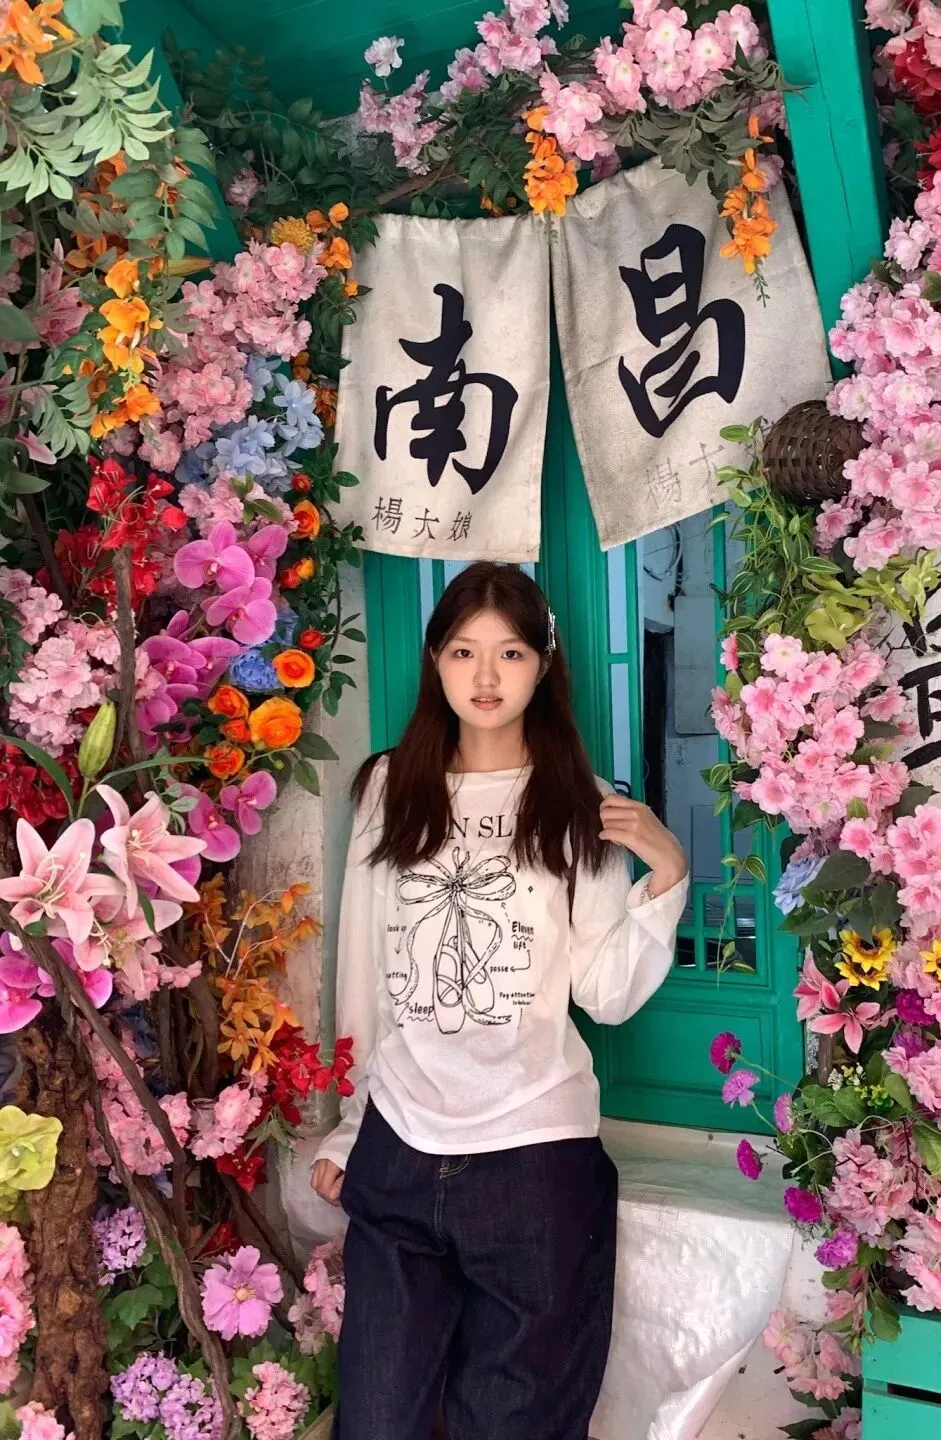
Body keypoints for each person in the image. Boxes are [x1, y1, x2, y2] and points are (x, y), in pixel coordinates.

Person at [311, 561, 689, 1440]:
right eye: (464, 651)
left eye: (511, 653)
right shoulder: (386, 788)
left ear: (543, 666)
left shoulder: (580, 805)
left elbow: (607, 993)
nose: (486, 676)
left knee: (518, 1424)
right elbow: (365, 972)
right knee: (376, 1420)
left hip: (535, 1161)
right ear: (435, 662)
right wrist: (348, 1126)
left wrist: (668, 873)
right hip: (400, 1147)